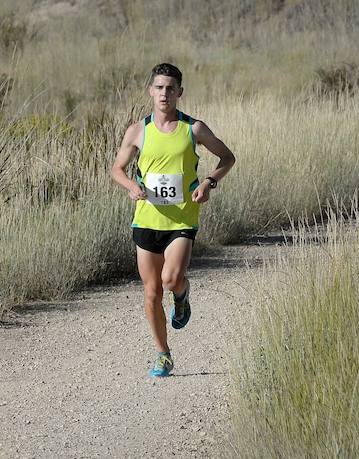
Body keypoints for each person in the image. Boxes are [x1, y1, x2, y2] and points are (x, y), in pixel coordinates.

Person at [110, 63, 236, 377]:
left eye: (170, 88)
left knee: (170, 281)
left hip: (181, 219)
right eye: (159, 87)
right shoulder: (138, 130)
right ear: (150, 91)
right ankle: (163, 354)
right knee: (152, 292)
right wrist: (131, 186)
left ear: (180, 92)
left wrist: (209, 183)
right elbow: (117, 170)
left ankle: (181, 294)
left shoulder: (194, 128)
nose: (164, 93)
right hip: (146, 220)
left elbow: (227, 156)